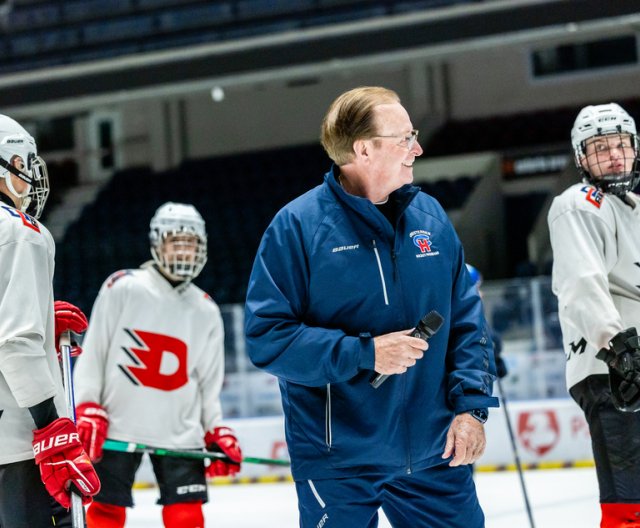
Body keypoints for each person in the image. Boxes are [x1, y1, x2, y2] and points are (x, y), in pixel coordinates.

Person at [244, 86, 498, 528]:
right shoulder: (297, 228)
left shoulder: (432, 219)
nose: (416, 148)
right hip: (339, 460)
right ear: (363, 149)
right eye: (404, 137)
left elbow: (466, 323)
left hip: (434, 453)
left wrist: (470, 408)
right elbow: (268, 337)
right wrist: (366, 353)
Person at [72, 202, 242, 528]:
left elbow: (208, 384)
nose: (183, 250)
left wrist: (215, 427)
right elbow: (95, 352)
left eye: (190, 243)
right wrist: (89, 406)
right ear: (157, 242)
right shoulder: (123, 287)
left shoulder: (206, 309)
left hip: (181, 430)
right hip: (118, 425)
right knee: (105, 510)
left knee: (187, 515)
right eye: (175, 241)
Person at [0, 114, 100, 526]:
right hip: (17, 445)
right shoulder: (21, 231)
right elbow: (15, 342)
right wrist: (52, 428)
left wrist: (40, 313)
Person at [548, 102, 640, 527]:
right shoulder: (578, 203)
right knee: (628, 506)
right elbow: (582, 282)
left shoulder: (633, 206)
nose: (615, 155)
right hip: (615, 370)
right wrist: (619, 348)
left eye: (621, 144)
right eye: (601, 147)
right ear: (582, 157)